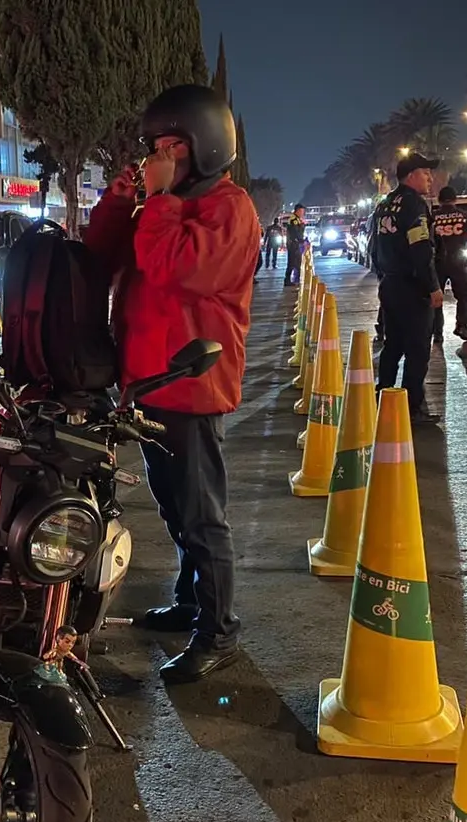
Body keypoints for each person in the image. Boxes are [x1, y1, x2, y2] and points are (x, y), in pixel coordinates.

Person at [82, 84, 258, 684]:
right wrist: (118, 199)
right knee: (172, 504)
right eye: (155, 146)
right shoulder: (162, 204)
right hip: (149, 385)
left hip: (191, 386)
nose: (161, 156)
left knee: (202, 514)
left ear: (207, 145)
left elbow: (174, 267)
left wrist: (156, 200)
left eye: (173, 145)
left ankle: (219, 630)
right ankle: (190, 600)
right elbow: (100, 256)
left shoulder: (228, 209)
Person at [372, 152, 443, 424]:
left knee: (393, 346)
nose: (430, 178)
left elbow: (374, 249)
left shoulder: (386, 204)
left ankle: (383, 398)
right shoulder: (414, 205)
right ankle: (411, 407)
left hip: (389, 285)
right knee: (417, 349)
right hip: (412, 288)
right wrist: (432, 286)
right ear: (411, 175)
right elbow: (421, 249)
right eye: (426, 173)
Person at [431, 186, 467, 348]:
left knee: (437, 298)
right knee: (463, 296)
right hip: (458, 262)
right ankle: (462, 326)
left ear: (439, 200)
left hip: (438, 262)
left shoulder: (433, 217)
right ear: (455, 199)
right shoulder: (465, 217)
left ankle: (437, 333)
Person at [283, 205, 306, 286]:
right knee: (292, 262)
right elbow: (296, 232)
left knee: (297, 262)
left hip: (295, 243)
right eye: (302, 211)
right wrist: (302, 226)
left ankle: (297, 279)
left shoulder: (297, 219)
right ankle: (287, 280)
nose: (303, 213)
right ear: (298, 211)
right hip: (292, 243)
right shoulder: (294, 219)